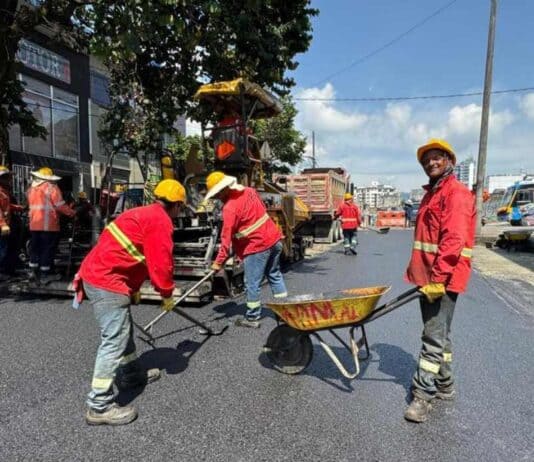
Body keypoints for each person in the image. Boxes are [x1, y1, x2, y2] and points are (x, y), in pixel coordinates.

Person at [76, 179, 185, 426]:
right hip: (107, 280)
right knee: (114, 339)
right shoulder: (160, 222)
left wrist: (133, 288)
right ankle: (99, 405)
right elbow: (161, 264)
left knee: (123, 330)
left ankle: (132, 375)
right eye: (181, 209)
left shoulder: (139, 212)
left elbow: (128, 254)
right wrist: (167, 293)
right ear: (177, 205)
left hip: (101, 273)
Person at [404, 139, 476, 423]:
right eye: (426, 160)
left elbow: (454, 240)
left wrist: (438, 279)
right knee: (440, 333)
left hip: (441, 279)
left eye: (437, 158)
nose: (431, 163)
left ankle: (423, 396)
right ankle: (445, 384)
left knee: (432, 337)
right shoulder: (432, 193)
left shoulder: (455, 194)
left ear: (449, 160)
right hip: (428, 276)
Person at [205, 171, 287, 328]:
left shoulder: (229, 208)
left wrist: (218, 263)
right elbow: (260, 211)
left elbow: (225, 239)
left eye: (216, 194)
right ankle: (284, 312)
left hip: (257, 247)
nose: (216, 198)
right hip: (274, 240)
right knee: (274, 275)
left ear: (223, 190)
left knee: (251, 283)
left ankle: (252, 317)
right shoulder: (249, 191)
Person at [26, 167, 75, 284]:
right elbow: (60, 205)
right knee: (47, 249)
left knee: (36, 249)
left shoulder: (31, 189)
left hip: (34, 225)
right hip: (49, 226)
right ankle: (45, 274)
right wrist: (72, 213)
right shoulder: (52, 188)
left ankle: (33, 272)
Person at [0, 166, 12, 278]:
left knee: (4, 249)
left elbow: (6, 206)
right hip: (2, 226)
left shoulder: (4, 192)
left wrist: (19, 207)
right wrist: (3, 224)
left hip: (5, 225)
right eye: (6, 177)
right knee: (1, 250)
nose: (9, 180)